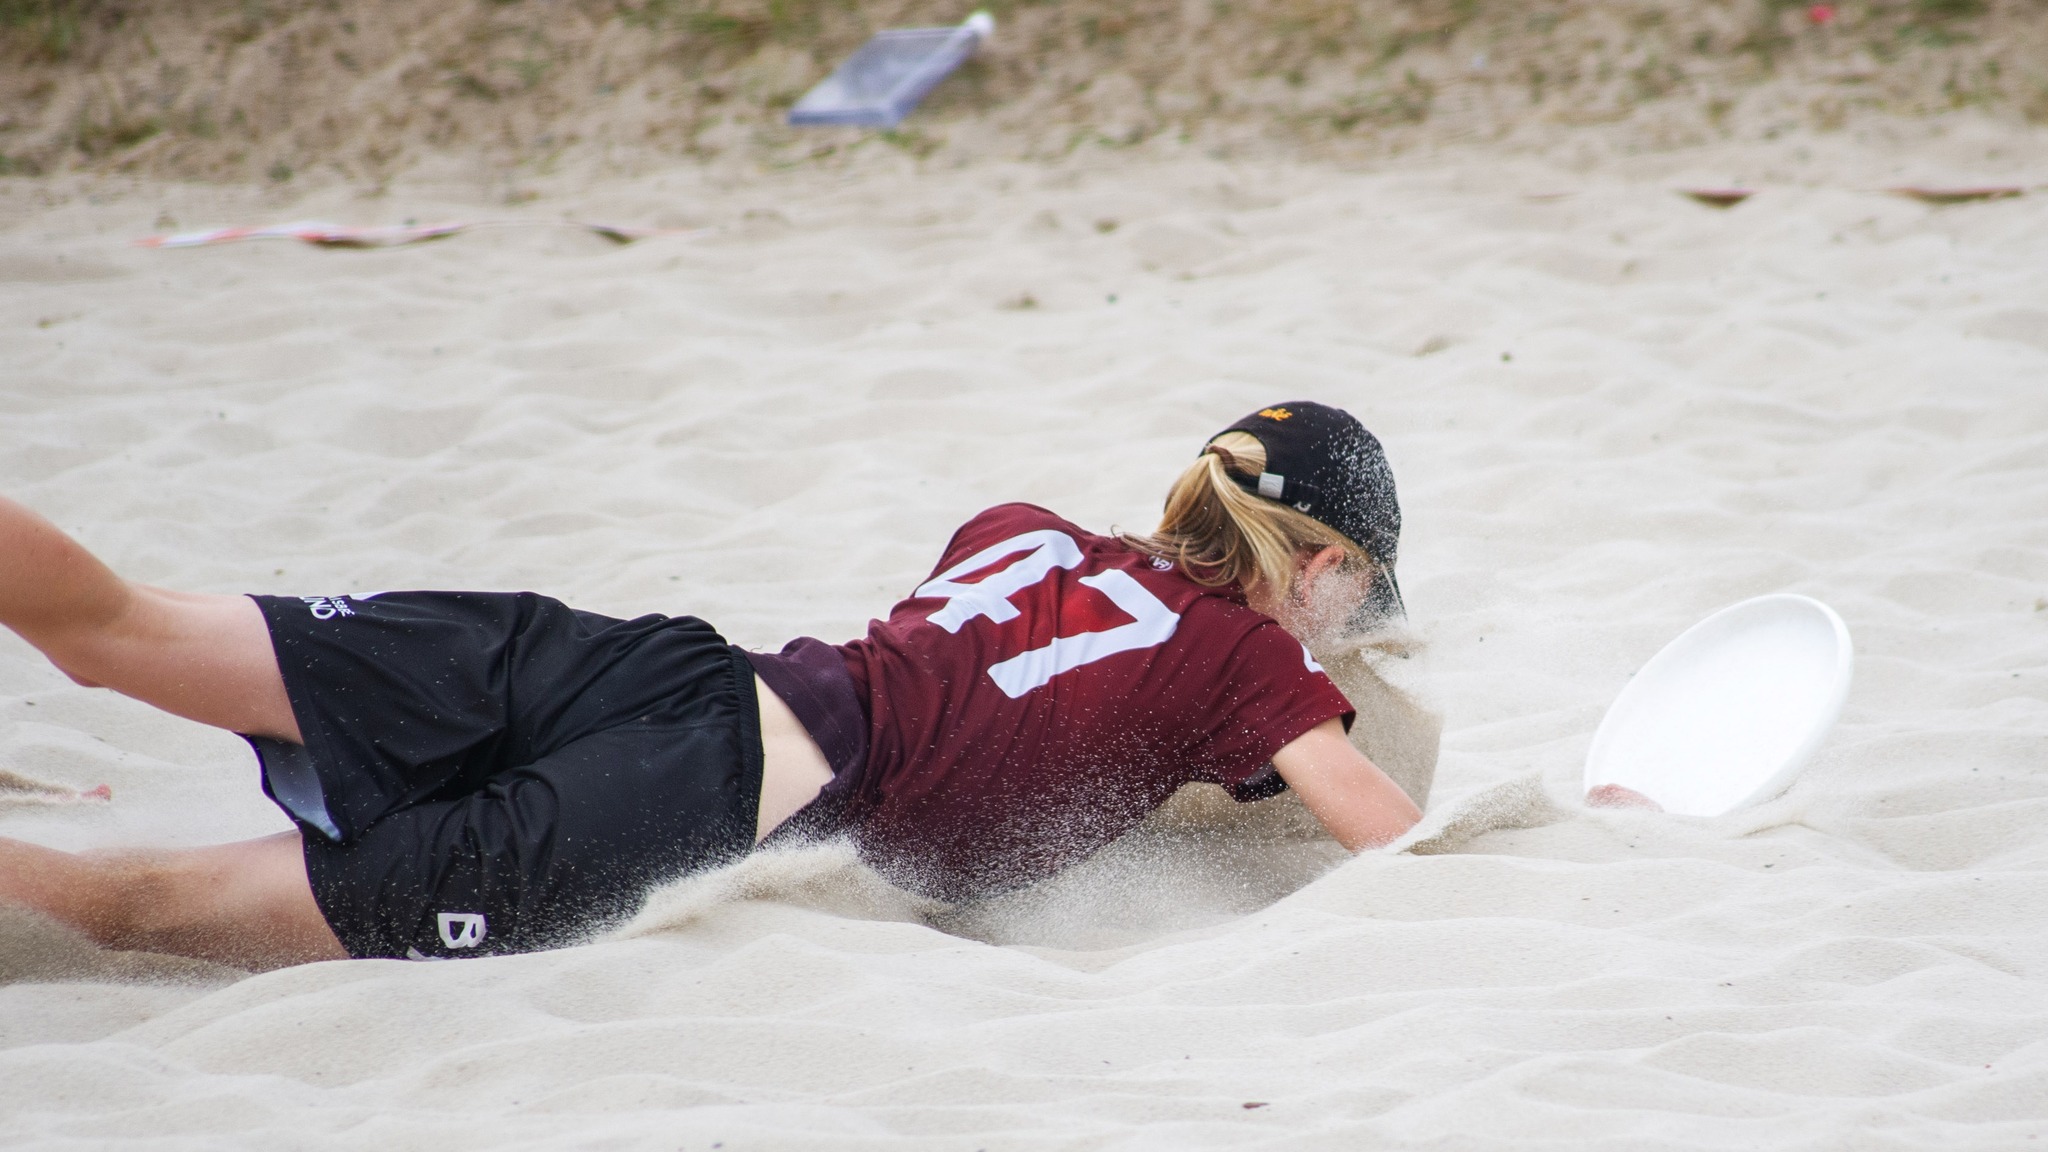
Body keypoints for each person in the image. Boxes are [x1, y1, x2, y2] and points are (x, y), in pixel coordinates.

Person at [0, 402, 1423, 969]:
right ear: (1316, 567)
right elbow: (1387, 839)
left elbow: (1019, 697)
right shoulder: (1255, 662)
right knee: (143, 906)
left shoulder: (1024, 530)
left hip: (659, 667)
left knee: (121, 625)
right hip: (695, 800)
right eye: (1362, 584)